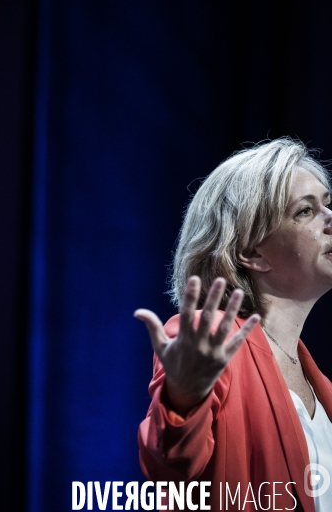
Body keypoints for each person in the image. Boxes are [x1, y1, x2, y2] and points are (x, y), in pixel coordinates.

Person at [135, 138, 332, 512]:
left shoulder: (323, 390)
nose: (330, 219)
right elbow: (171, 474)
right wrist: (183, 400)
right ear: (252, 252)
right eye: (305, 211)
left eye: (328, 203)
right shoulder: (208, 343)